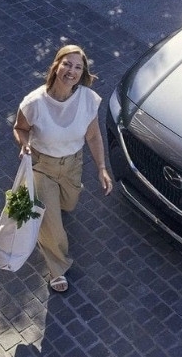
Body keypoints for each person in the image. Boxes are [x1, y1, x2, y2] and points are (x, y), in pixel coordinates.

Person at [11, 45, 114, 293]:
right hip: (42, 166)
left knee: (69, 203)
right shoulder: (34, 102)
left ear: (83, 72)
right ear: (56, 66)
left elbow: (93, 136)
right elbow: (19, 128)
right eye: (67, 64)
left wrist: (101, 167)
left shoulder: (88, 99)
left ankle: (55, 209)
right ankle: (57, 267)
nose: (72, 71)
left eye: (78, 67)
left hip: (72, 164)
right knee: (52, 225)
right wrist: (24, 145)